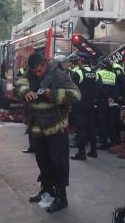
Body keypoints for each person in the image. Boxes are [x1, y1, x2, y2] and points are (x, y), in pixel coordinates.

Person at [15, 53, 81, 213]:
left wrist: (50, 94)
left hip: (56, 126)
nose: (37, 74)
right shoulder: (30, 73)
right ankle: (46, 190)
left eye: (39, 70)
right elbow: (20, 83)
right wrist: (25, 92)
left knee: (58, 163)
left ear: (45, 64)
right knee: (42, 160)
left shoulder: (58, 75)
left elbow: (76, 95)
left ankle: (61, 196)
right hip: (38, 127)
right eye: (34, 72)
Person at [68, 52, 98, 160]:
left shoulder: (79, 73)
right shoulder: (95, 73)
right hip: (91, 104)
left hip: (79, 104)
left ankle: (81, 153)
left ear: (81, 61)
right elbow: (97, 88)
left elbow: (73, 90)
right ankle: (93, 151)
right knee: (91, 128)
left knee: (80, 129)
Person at [95, 60, 118, 149]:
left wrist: (107, 97)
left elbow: (99, 88)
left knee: (102, 122)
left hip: (102, 101)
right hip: (112, 102)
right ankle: (113, 141)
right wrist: (112, 98)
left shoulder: (99, 73)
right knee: (110, 122)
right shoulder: (113, 75)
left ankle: (104, 143)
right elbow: (116, 88)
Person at [17, 65, 36, 154]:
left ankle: (33, 147)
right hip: (32, 103)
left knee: (31, 125)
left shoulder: (27, 73)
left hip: (31, 104)